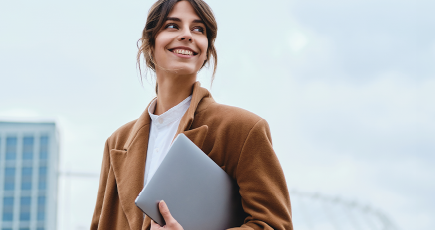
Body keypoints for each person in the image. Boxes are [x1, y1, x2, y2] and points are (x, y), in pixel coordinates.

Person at [89, 0, 292, 229]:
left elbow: (274, 225)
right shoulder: (117, 142)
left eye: (198, 29)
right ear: (150, 43)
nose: (187, 35)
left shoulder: (242, 129)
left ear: (206, 51)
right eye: (173, 26)